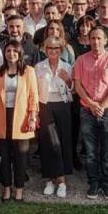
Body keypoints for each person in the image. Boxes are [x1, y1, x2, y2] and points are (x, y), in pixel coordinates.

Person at [74, 28, 108, 200]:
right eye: (93, 38)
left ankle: (107, 184)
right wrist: (91, 104)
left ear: (105, 40)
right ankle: (93, 183)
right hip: (87, 110)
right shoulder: (81, 60)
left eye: (99, 38)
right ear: (89, 40)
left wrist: (101, 106)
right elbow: (78, 86)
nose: (96, 41)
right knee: (91, 151)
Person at [0, 41, 39, 202]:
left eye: (14, 51)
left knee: (21, 155)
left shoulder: (28, 71)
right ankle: (6, 188)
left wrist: (32, 117)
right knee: (2, 155)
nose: (11, 54)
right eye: (8, 51)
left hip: (22, 118)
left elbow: (33, 96)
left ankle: (19, 189)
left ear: (20, 53)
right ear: (4, 53)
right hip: (1, 117)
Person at [34, 36, 74, 198]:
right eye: (49, 48)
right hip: (45, 105)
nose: (53, 50)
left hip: (63, 105)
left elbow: (73, 89)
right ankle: (52, 180)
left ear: (61, 50)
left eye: (56, 48)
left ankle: (61, 181)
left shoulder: (67, 66)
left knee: (63, 142)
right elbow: (34, 90)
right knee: (49, 143)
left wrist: (68, 80)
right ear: (45, 49)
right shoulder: (38, 67)